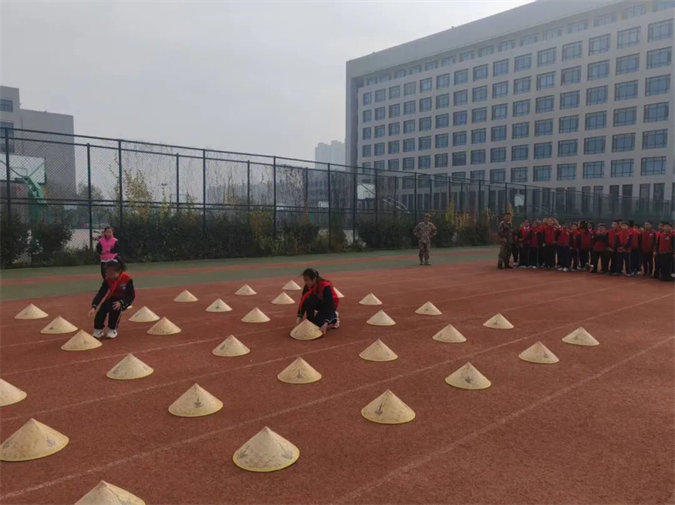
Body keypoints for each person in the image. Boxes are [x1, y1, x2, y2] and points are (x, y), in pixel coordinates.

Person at [88, 258, 135, 339]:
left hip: (124, 299)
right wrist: (94, 306)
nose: (108, 275)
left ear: (118, 271)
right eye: (107, 273)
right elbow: (101, 293)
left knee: (115, 309)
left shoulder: (127, 279)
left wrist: (121, 302)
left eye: (111, 273)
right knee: (101, 311)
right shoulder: (107, 279)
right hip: (112, 297)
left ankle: (112, 329)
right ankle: (98, 330)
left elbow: (131, 295)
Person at [296, 268, 340, 334]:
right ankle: (310, 321)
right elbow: (303, 301)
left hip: (330, 305)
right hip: (319, 302)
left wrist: (326, 322)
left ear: (314, 279)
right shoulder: (307, 286)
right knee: (309, 300)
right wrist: (299, 316)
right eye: (304, 280)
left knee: (318, 324)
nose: (305, 282)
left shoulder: (325, 286)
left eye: (307, 280)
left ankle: (334, 318)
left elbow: (329, 304)